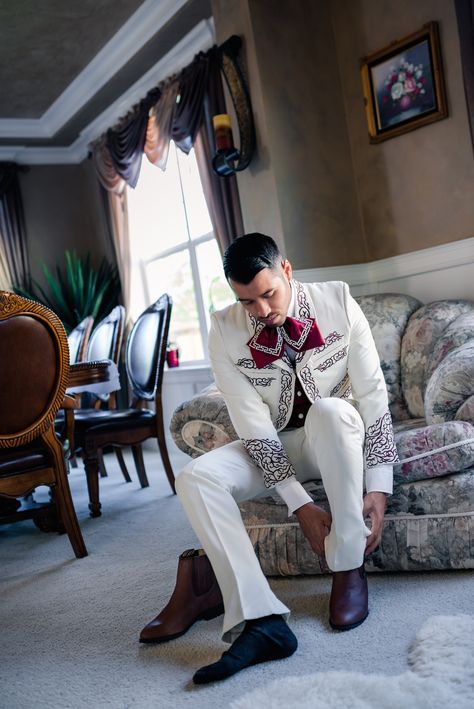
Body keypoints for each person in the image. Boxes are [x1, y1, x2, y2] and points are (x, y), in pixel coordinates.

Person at [140, 233, 398, 684]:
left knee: (334, 410)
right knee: (197, 478)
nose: (261, 310)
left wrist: (378, 485)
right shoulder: (224, 330)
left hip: (334, 437)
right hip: (277, 446)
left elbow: (373, 394)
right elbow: (252, 425)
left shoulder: (337, 301)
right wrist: (299, 503)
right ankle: (261, 619)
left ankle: (348, 566)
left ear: (287, 270)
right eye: (247, 302)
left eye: (268, 294)